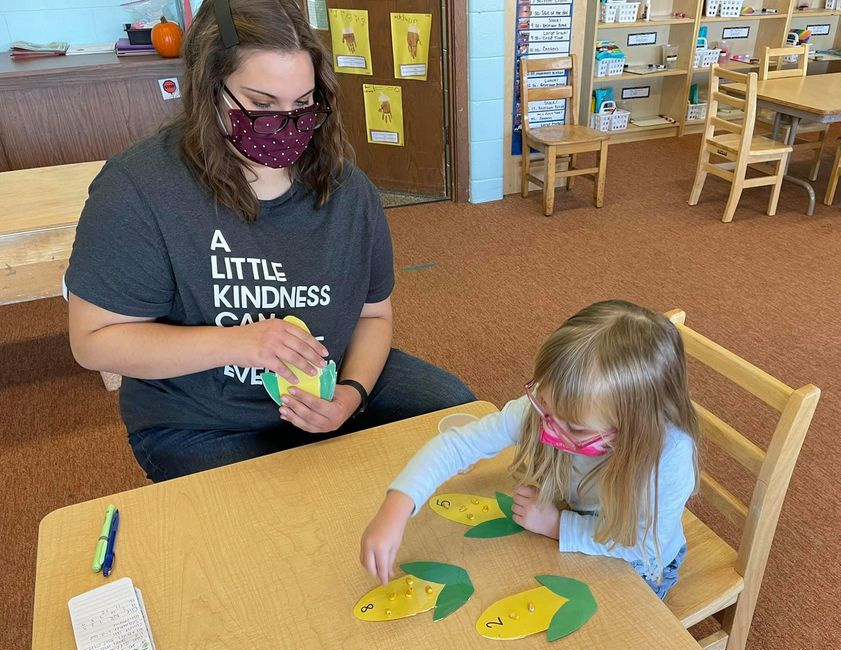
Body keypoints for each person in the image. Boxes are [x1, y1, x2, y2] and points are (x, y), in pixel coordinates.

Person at [65, 0, 474, 482]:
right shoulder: (139, 188)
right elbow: (93, 343)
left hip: (327, 382)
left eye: (303, 104)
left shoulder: (348, 190)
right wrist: (238, 344)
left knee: (459, 420)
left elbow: (373, 315)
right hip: (203, 423)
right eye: (261, 104)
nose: (287, 123)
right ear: (208, 88)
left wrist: (351, 395)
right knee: (286, 510)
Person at [361, 300, 700, 599]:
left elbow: (641, 546)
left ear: (634, 426)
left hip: (637, 565)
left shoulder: (668, 457)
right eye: (545, 407)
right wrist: (398, 505)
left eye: (575, 428)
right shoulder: (556, 406)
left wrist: (557, 526)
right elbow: (458, 445)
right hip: (572, 525)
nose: (548, 428)